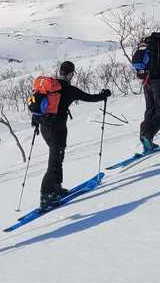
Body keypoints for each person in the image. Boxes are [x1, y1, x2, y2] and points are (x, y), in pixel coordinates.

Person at [36, 60, 111, 212]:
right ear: (70, 74)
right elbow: (90, 98)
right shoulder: (69, 89)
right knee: (55, 161)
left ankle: (56, 188)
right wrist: (104, 95)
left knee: (57, 158)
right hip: (57, 129)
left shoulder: (50, 86)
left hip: (45, 127)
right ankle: (46, 196)